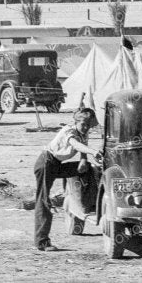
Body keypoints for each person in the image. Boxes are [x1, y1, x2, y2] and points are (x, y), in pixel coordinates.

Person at [31, 107, 99, 250]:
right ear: (76, 122)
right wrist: (92, 152)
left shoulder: (84, 133)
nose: (86, 128)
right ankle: (42, 241)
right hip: (46, 163)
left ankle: (86, 204)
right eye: (83, 125)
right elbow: (76, 144)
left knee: (89, 169)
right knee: (43, 200)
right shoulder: (69, 130)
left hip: (57, 164)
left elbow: (83, 146)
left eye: (88, 125)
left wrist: (84, 160)